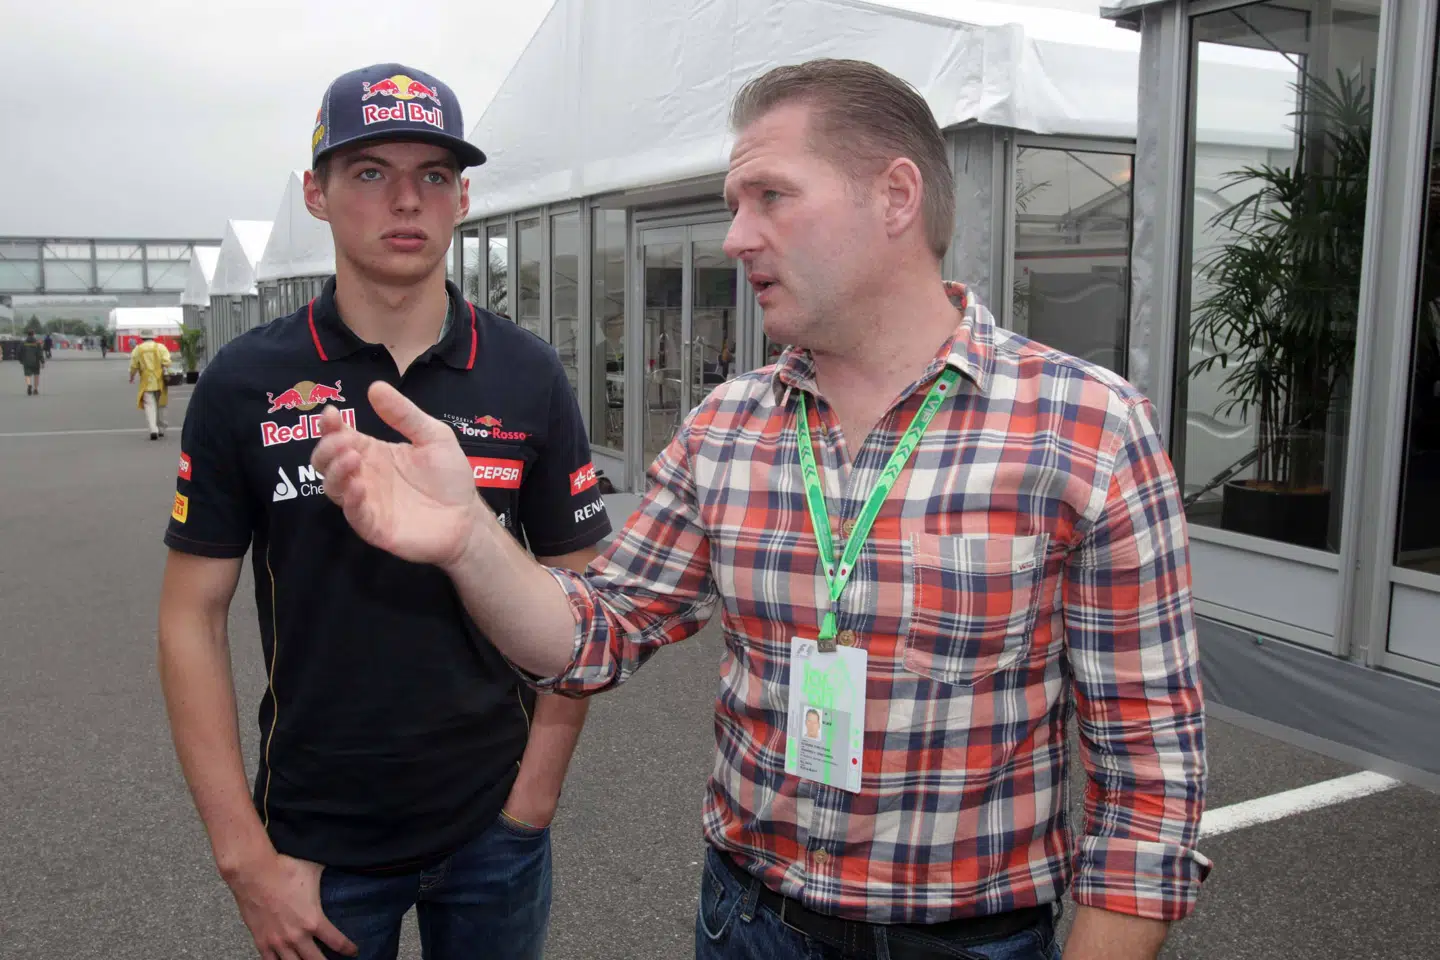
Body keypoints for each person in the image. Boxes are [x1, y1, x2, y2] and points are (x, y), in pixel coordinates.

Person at [311, 58, 1209, 960]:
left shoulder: (1084, 426)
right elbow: (593, 635)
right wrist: (471, 539)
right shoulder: (728, 427)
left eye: (770, 196)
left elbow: (1149, 780)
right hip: (746, 924)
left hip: (970, 939)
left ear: (895, 197)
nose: (737, 236)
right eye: (736, 203)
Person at [158, 63, 611, 960]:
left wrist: (534, 800)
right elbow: (189, 618)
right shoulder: (245, 382)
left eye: (432, 176)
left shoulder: (526, 374)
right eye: (370, 173)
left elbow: (582, 596)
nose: (406, 200)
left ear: (463, 196)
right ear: (316, 193)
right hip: (314, 843)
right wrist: (244, 855)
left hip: (493, 826)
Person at [129, 330, 172, 440]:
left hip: (146, 381)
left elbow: (133, 366)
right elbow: (167, 362)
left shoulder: (137, 350)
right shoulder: (161, 347)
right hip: (160, 380)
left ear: (142, 338)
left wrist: (132, 376)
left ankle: (153, 429)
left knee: (149, 406)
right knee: (161, 405)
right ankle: (161, 428)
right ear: (153, 337)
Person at [18, 330, 43, 395]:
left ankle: (29, 385)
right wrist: (42, 361)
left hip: (26, 361)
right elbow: (40, 353)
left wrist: (20, 360)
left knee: (27, 375)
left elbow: (19, 352)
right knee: (36, 375)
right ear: (33, 334)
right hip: (36, 362)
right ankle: (35, 389)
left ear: (27, 335)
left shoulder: (23, 343)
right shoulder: (37, 343)